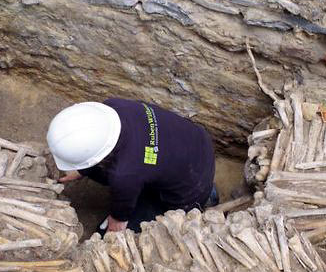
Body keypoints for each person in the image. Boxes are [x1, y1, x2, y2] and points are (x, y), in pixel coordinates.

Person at [47, 99, 218, 233]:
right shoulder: (114, 106)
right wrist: (83, 168)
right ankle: (203, 190)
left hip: (190, 189)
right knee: (134, 171)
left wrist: (116, 223)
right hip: (197, 145)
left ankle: (203, 200)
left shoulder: (124, 175)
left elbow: (119, 218)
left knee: (103, 232)